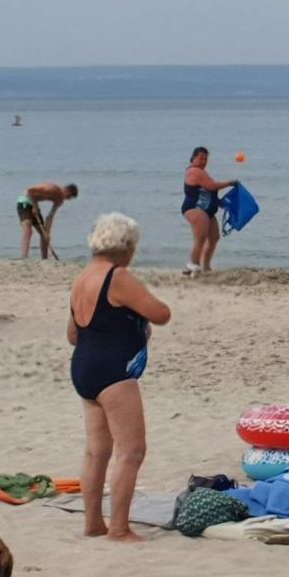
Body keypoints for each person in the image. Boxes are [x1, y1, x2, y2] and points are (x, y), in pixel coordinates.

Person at [68, 214, 171, 542]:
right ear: (125, 247)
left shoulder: (82, 279)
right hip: (113, 370)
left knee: (97, 451)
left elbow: (73, 333)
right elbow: (161, 313)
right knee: (132, 450)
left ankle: (93, 522)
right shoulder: (118, 277)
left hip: (83, 365)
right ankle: (119, 528)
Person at [181, 148, 236, 275]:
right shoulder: (194, 171)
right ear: (193, 158)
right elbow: (211, 186)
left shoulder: (202, 173)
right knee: (200, 238)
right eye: (200, 158)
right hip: (195, 208)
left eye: (205, 159)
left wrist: (222, 203)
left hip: (208, 210)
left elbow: (209, 193)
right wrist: (229, 183)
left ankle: (206, 266)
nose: (203, 161)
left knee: (214, 238)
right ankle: (193, 266)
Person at [18, 183, 79, 260]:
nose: (67, 199)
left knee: (44, 236)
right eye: (69, 197)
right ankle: (24, 257)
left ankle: (44, 259)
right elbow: (30, 190)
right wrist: (35, 206)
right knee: (28, 231)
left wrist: (47, 232)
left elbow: (50, 216)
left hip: (35, 206)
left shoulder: (59, 201)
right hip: (25, 202)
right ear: (67, 191)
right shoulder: (52, 188)